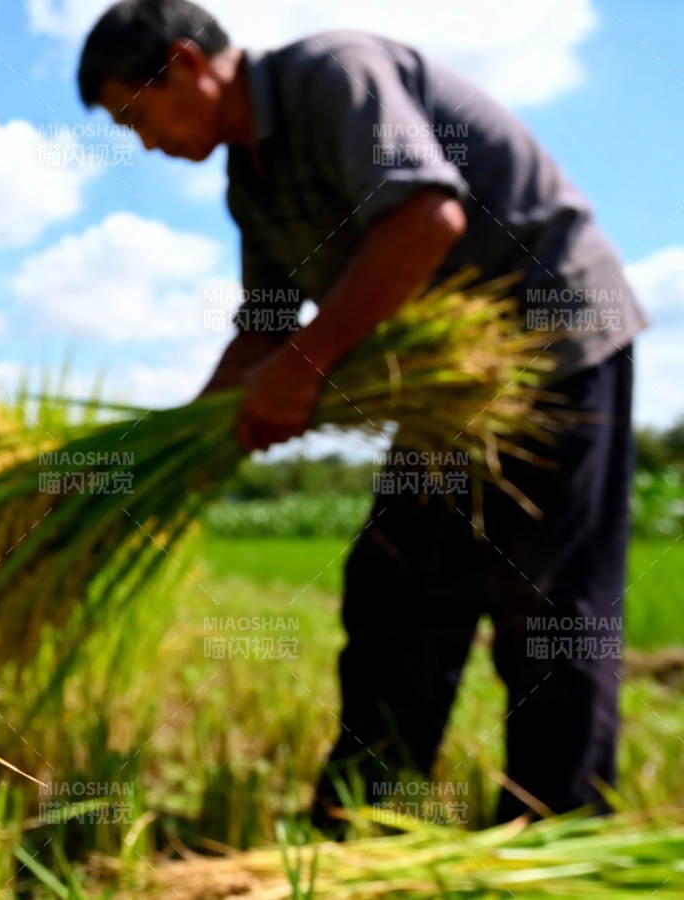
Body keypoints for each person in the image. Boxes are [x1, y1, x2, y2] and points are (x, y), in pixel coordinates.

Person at [76, 0, 648, 831]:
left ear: (188, 67)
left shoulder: (332, 73)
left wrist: (303, 370)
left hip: (554, 342)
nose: (146, 143)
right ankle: (357, 826)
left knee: (547, 610)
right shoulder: (250, 178)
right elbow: (265, 328)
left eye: (138, 116)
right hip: (449, 394)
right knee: (396, 594)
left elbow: (425, 217)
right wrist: (188, 445)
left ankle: (556, 836)